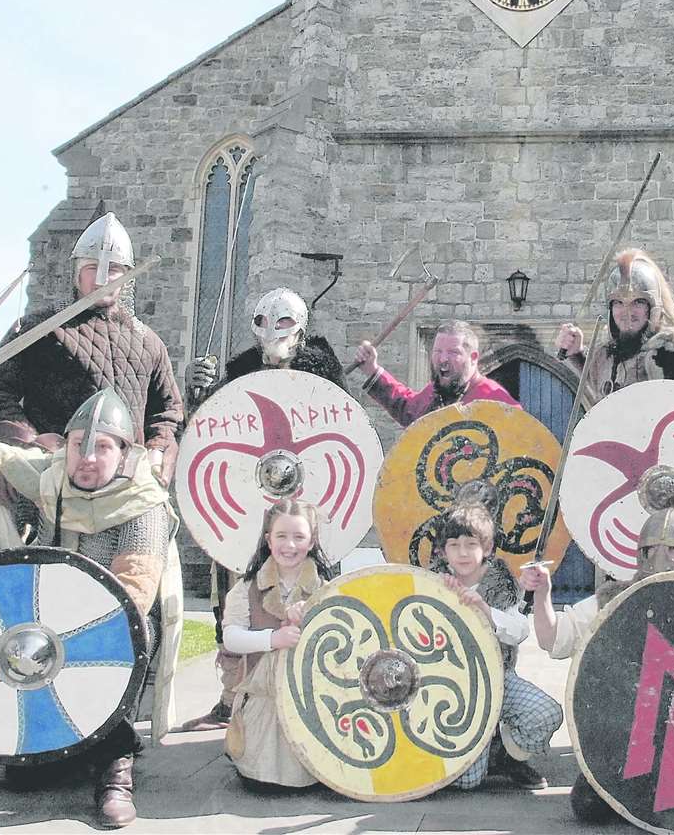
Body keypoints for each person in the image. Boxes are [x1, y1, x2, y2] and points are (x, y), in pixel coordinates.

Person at [0, 386, 184, 829]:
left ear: (124, 453)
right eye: (80, 445)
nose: (88, 459)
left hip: (115, 622)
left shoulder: (144, 504)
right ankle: (50, 750)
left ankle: (115, 771)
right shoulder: (50, 479)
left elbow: (135, 591)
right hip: (45, 623)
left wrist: (84, 626)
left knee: (126, 641)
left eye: (102, 447)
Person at [182, 287, 347, 731]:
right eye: (264, 322)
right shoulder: (239, 373)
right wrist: (200, 396)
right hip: (248, 510)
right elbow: (211, 434)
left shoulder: (322, 374)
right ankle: (232, 696)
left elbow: (338, 441)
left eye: (285, 322)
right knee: (239, 598)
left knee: (305, 597)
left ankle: (311, 690)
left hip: (304, 514)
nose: (273, 332)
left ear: (302, 326)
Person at [520, 507, 674, 821]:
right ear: (640, 555)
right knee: (589, 805)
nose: (662, 558)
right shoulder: (612, 599)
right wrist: (543, 594)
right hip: (631, 738)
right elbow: (554, 638)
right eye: (653, 550)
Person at [0, 212, 185, 488]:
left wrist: (156, 452)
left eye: (112, 269)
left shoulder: (148, 342)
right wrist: (31, 443)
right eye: (92, 267)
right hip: (53, 476)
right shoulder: (40, 329)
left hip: (125, 484)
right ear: (76, 271)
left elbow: (167, 413)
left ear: (126, 275)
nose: (101, 279)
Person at [430, 503, 562, 791]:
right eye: (454, 545)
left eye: (471, 544)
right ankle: (486, 752)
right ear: (443, 551)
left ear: (487, 548)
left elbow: (518, 631)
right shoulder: (432, 582)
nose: (463, 553)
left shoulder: (501, 584)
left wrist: (486, 612)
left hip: (497, 678)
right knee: (466, 781)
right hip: (450, 686)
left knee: (546, 713)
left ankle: (507, 754)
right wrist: (437, 594)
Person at [219, 497, 337, 790]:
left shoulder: (326, 589)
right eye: (281, 536)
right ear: (268, 539)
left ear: (311, 542)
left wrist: (309, 617)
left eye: (299, 537)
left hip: (310, 693)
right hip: (262, 692)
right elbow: (232, 637)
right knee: (262, 777)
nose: (290, 545)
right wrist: (273, 639)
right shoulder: (246, 588)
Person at [555, 248, 674, 409]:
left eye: (638, 302)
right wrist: (576, 354)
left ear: (653, 308)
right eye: (619, 302)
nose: (628, 312)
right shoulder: (607, 357)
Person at [356, 319, 518, 427]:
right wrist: (372, 369)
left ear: (473, 358)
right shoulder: (434, 394)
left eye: (453, 352)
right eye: (438, 351)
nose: (443, 359)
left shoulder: (497, 402)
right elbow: (408, 408)